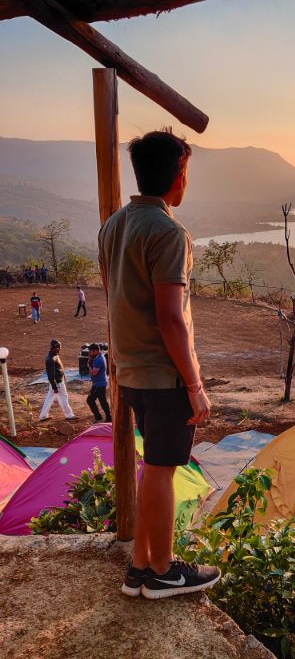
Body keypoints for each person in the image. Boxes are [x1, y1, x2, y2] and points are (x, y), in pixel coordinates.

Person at [99, 128, 219, 600]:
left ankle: (140, 567)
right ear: (179, 173)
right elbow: (172, 317)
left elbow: (117, 300)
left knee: (155, 465)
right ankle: (166, 571)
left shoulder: (114, 225)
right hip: (164, 372)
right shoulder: (169, 233)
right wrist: (195, 384)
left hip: (131, 370)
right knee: (164, 468)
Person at [39, 339, 76, 421]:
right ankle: (69, 415)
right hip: (57, 382)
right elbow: (50, 375)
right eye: (58, 347)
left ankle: (43, 416)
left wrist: (64, 375)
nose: (59, 349)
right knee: (63, 397)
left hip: (58, 380)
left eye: (60, 347)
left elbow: (59, 367)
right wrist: (54, 386)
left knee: (49, 398)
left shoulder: (55, 355)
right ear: (53, 347)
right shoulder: (50, 359)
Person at [86, 343, 111, 423]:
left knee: (90, 400)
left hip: (98, 384)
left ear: (96, 351)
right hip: (101, 382)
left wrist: (89, 365)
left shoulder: (99, 360)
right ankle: (108, 417)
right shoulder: (99, 356)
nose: (89, 354)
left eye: (91, 352)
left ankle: (98, 417)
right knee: (103, 401)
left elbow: (93, 373)